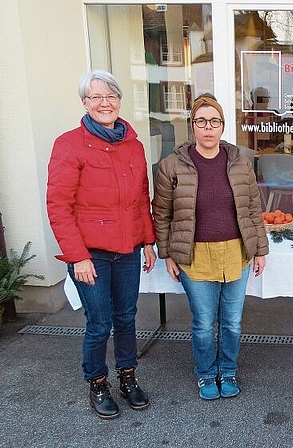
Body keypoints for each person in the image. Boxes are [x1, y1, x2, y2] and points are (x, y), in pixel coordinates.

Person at [46, 70, 157, 420]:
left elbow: (142, 198)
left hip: (128, 249)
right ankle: (96, 382)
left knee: (126, 317)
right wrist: (77, 257)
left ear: (119, 101)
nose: (104, 103)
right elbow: (58, 206)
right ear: (84, 103)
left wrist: (149, 241)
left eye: (110, 96)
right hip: (90, 254)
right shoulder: (68, 144)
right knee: (99, 322)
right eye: (96, 97)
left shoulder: (134, 145)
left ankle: (128, 377)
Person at [152, 93, 268, 401]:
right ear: (192, 126)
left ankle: (227, 370)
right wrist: (167, 254)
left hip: (236, 253)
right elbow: (161, 214)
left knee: (232, 321)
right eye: (201, 121)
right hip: (194, 256)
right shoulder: (171, 166)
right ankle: (205, 374)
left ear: (222, 126)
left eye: (214, 121)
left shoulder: (240, 163)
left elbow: (253, 209)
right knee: (203, 323)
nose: (208, 128)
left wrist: (260, 249)